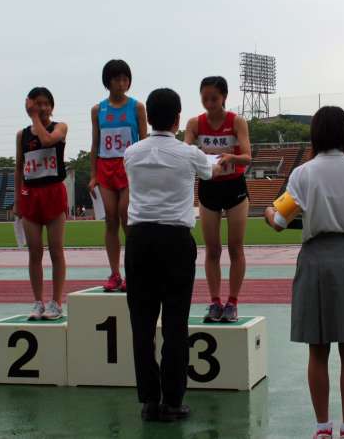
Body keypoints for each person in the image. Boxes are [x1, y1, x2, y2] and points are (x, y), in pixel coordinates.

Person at [265, 106, 344, 439]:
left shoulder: (303, 174)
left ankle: (322, 428)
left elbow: (278, 222)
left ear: (316, 135)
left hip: (315, 259)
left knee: (317, 349)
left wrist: (267, 211)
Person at [124, 88, 222, 422]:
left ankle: (149, 400)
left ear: (149, 118)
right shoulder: (190, 154)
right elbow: (211, 171)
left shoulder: (131, 153)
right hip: (176, 241)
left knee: (142, 325)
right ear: (178, 118)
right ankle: (173, 400)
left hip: (139, 240)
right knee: (175, 324)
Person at [185, 76, 251, 322]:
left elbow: (248, 156)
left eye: (214, 98)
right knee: (212, 249)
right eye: (205, 99)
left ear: (224, 97)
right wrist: (197, 154)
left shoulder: (237, 122)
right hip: (209, 188)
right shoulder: (195, 123)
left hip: (234, 187)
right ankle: (214, 302)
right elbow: (185, 150)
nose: (209, 103)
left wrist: (231, 157)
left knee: (235, 247)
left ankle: (232, 302)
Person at [89, 59, 147, 292]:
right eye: (117, 79)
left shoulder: (137, 107)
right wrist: (93, 175)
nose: (122, 83)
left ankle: (134, 272)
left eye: (125, 79)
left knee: (127, 217)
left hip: (129, 167)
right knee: (110, 220)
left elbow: (144, 141)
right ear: (108, 82)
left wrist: (143, 170)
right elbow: (95, 143)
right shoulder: (98, 110)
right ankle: (115, 274)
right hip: (105, 168)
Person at [14, 87, 68, 320]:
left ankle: (56, 302)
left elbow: (46, 141)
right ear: (30, 105)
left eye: (46, 103)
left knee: (56, 250)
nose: (43, 108)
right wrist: (17, 200)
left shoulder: (60, 127)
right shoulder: (22, 135)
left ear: (52, 107)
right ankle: (38, 302)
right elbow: (19, 167)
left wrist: (34, 116)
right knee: (34, 252)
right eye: (38, 103)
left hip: (53, 193)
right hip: (30, 195)